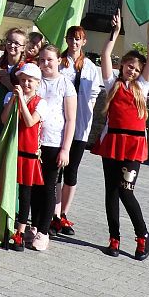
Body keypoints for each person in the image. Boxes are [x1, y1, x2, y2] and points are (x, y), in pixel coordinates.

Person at [91, 11, 149, 261]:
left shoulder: (142, 88)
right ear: (122, 66)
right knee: (111, 192)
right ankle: (114, 238)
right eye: (129, 65)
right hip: (112, 143)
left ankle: (142, 235)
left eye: (136, 68)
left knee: (126, 190)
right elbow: (105, 55)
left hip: (132, 146)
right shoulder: (113, 85)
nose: (132, 70)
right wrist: (114, 32)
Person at [53, 25, 102, 235]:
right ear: (66, 40)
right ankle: (53, 214)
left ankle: (63, 213)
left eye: (78, 39)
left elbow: (93, 97)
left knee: (71, 172)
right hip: (57, 127)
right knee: (56, 171)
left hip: (79, 127)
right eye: (71, 38)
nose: (74, 42)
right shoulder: (59, 64)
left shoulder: (91, 68)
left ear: (84, 42)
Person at [30, 46, 76, 250]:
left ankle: (43, 229)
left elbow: (71, 119)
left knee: (49, 187)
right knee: (33, 186)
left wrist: (65, 148)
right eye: (42, 60)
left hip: (53, 142)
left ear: (58, 60)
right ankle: (33, 223)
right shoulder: (36, 80)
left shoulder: (65, 84)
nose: (45, 63)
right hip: (33, 141)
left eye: (49, 59)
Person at [1, 61, 46, 251]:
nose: (26, 84)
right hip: (13, 150)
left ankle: (19, 231)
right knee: (10, 190)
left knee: (25, 194)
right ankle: (5, 227)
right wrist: (14, 99)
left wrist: (23, 102)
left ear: (37, 83)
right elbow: (4, 120)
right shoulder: (11, 96)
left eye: (30, 81)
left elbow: (29, 122)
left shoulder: (41, 102)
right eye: (24, 80)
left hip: (28, 154)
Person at [0, 26, 28, 106]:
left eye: (17, 43)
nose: (12, 45)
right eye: (9, 41)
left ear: (23, 48)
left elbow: (26, 99)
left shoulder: (25, 69)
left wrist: (8, 84)